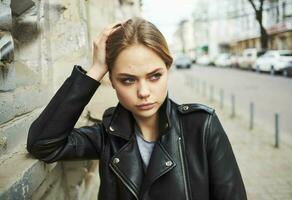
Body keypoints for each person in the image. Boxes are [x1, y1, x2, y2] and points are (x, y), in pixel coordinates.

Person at [27, 17, 247, 200]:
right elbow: (43, 144)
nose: (143, 92)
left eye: (154, 76)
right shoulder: (107, 136)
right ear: (111, 80)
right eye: (128, 80)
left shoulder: (201, 125)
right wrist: (95, 69)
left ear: (168, 69)